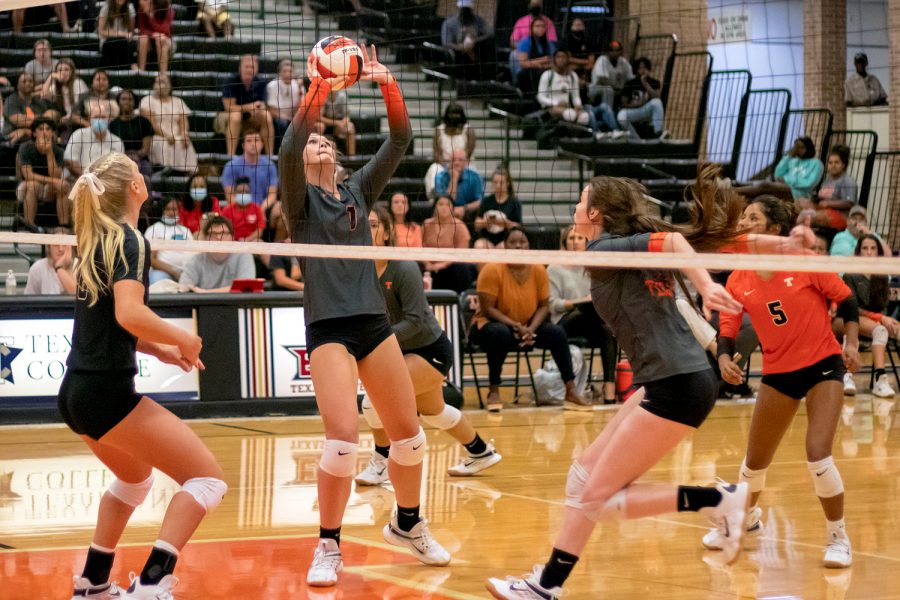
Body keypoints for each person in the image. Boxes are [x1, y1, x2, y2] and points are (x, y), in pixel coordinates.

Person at [486, 167, 816, 599]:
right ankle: (547, 584)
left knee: (595, 500)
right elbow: (719, 240)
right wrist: (785, 244)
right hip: (670, 379)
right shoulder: (627, 249)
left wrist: (704, 286)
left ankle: (715, 502)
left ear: (596, 213)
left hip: (676, 385)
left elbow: (679, 242)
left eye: (580, 200)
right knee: (581, 478)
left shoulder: (606, 248)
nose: (573, 208)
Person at [279, 44, 450, 587]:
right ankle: (328, 545)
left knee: (410, 438)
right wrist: (319, 88)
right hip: (328, 328)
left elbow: (401, 140)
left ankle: (408, 522)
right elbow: (287, 148)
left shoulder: (358, 190)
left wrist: (387, 83)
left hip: (374, 327)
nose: (319, 144)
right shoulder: (299, 202)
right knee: (342, 441)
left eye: (326, 141)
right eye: (314, 142)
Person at [62, 152, 225, 599]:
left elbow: (113, 325)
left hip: (76, 394)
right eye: (137, 170)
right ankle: (154, 582)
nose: (143, 174)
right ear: (133, 189)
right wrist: (185, 338)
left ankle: (93, 580)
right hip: (106, 393)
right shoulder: (131, 241)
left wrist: (163, 349)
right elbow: (130, 311)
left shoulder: (98, 242)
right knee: (208, 480)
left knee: (136, 480)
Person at [708, 208, 862, 570]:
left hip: (822, 364)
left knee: (817, 454)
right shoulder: (738, 278)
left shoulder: (803, 261)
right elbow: (727, 326)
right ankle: (742, 521)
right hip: (778, 371)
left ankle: (838, 536)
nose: (744, 223)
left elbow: (848, 299)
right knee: (754, 464)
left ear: (774, 229)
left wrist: (852, 343)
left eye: (753, 218)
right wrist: (725, 359)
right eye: (742, 217)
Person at [355, 204, 502, 485]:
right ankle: (481, 452)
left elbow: (415, 322)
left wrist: (377, 339)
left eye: (374, 225)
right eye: (363, 225)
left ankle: (381, 462)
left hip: (430, 350)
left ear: (387, 233)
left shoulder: (404, 268)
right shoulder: (360, 271)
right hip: (401, 350)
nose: (367, 230)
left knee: (374, 399)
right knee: (436, 412)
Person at [470, 226, 588, 412]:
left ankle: (570, 390)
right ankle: (494, 390)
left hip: (527, 326)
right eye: (513, 242)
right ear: (505, 246)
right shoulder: (492, 269)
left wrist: (531, 328)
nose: (518, 246)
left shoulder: (538, 270)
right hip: (490, 325)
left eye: (522, 242)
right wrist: (516, 326)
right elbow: (488, 309)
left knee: (556, 333)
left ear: (528, 245)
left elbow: (543, 306)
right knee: (499, 333)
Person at [547, 225, 617, 404]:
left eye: (579, 238)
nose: (575, 242)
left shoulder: (593, 268)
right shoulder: (554, 268)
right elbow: (552, 305)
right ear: (565, 243)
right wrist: (577, 302)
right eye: (571, 238)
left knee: (607, 329)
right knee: (584, 310)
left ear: (586, 242)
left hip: (591, 320)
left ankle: (609, 386)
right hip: (565, 321)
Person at [838, 234, 898, 398]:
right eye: (865, 248)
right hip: (848, 317)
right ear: (859, 251)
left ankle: (877, 381)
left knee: (893, 329)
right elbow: (851, 308)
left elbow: (883, 307)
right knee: (879, 330)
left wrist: (886, 320)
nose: (869, 252)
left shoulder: (882, 275)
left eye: (873, 248)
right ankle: (861, 377)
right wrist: (881, 319)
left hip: (874, 319)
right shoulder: (850, 275)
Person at [139, 73, 199, 173]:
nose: (160, 85)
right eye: (157, 82)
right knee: (164, 145)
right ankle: (165, 173)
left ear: (170, 85)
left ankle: (188, 175)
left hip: (177, 136)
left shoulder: (178, 101)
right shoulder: (147, 101)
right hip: (157, 136)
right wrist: (167, 136)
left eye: (163, 82)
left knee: (185, 142)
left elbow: (183, 121)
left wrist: (184, 133)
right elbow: (151, 124)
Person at [179, 215, 255, 292]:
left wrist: (206, 293)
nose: (219, 237)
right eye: (213, 234)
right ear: (206, 238)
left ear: (232, 237)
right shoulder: (196, 260)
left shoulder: (244, 256)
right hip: (204, 303)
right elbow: (184, 287)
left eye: (224, 233)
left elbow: (246, 287)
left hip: (235, 303)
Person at [18, 117, 70, 229]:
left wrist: (49, 153)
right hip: (27, 185)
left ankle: (63, 227)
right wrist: (53, 181)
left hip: (49, 187)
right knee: (33, 185)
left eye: (48, 129)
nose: (45, 132)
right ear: (34, 133)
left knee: (63, 185)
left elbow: (56, 176)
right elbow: (28, 175)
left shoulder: (58, 151)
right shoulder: (25, 147)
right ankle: (29, 225)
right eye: (41, 129)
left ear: (52, 132)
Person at [221, 54, 274, 156]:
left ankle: (270, 157)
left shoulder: (260, 82)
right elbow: (228, 107)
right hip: (226, 116)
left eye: (252, 67)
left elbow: (262, 104)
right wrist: (249, 107)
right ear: (240, 68)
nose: (249, 70)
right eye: (247, 67)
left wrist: (258, 110)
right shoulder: (231, 81)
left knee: (266, 115)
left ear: (257, 69)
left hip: (249, 117)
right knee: (236, 115)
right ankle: (230, 156)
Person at [423, 195, 476, 293]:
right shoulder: (427, 224)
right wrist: (427, 264)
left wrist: (442, 265)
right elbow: (422, 246)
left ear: (452, 208)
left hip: (451, 266)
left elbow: (461, 253)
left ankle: (462, 298)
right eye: (440, 204)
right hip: (431, 266)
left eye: (447, 204)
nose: (444, 207)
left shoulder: (459, 225)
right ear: (435, 207)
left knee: (462, 267)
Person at [221, 127, 279, 210]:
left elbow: (272, 195)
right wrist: (247, 211)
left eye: (256, 140)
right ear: (243, 145)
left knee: (279, 207)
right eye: (249, 141)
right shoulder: (231, 166)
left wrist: (260, 209)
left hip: (264, 209)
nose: (253, 144)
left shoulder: (270, 165)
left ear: (262, 144)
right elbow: (230, 196)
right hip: (239, 209)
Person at [426, 103, 476, 198]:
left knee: (472, 172)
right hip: (444, 164)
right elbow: (436, 153)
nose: (454, 116)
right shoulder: (439, 130)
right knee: (433, 169)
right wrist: (447, 165)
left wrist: (458, 164)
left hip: (464, 165)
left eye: (457, 113)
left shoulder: (468, 130)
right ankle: (435, 199)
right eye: (452, 113)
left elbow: (469, 151)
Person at [64, 102, 125, 179]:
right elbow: (70, 161)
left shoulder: (117, 142)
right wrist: (89, 179)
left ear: (109, 119)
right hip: (78, 179)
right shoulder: (79, 135)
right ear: (89, 119)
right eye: (96, 117)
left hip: (106, 183)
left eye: (103, 117)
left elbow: (119, 168)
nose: (99, 120)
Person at [440, 0, 495, 82]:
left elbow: (490, 33)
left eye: (467, 9)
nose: (465, 12)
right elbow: (446, 43)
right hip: (458, 56)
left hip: (476, 53)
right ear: (458, 8)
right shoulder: (449, 23)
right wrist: (463, 48)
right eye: (463, 9)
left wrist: (474, 42)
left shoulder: (477, 20)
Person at [144, 197, 194, 284]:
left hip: (187, 272)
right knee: (157, 279)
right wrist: (174, 272)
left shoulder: (185, 230)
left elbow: (194, 254)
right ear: (161, 210)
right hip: (163, 272)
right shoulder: (153, 230)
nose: (171, 213)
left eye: (174, 209)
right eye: (167, 209)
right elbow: (151, 260)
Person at [808, 144, 858, 230]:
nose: (833, 165)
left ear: (843, 165)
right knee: (799, 203)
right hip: (824, 210)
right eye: (830, 163)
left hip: (840, 215)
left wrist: (828, 203)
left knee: (809, 218)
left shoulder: (848, 181)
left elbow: (849, 203)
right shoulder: (827, 180)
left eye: (836, 162)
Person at [537, 50, 590, 127]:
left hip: (568, 107)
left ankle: (575, 137)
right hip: (551, 108)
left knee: (584, 117)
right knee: (570, 114)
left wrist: (578, 104)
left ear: (568, 59)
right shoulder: (547, 75)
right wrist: (557, 103)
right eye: (558, 57)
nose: (561, 59)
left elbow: (576, 96)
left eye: (563, 57)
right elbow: (540, 97)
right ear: (554, 59)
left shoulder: (573, 76)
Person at [474, 165, 521, 249]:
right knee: (479, 245)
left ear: (508, 183)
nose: (498, 185)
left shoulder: (514, 203)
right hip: (487, 239)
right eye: (495, 182)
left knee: (503, 247)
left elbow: (518, 227)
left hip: (506, 239)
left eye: (501, 182)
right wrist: (485, 222)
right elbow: (476, 224)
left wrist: (505, 223)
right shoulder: (486, 201)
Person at [109, 89, 154, 179]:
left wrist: (133, 156)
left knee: (146, 170)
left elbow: (145, 150)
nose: (127, 102)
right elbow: (111, 148)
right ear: (118, 102)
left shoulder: (144, 122)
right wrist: (124, 157)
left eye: (130, 99)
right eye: (124, 99)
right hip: (119, 160)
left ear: (135, 102)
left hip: (140, 160)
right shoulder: (113, 124)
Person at [617, 56, 664, 139]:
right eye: (640, 68)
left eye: (645, 67)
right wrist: (639, 104)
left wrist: (645, 83)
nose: (643, 70)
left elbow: (657, 97)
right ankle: (636, 139)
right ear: (637, 70)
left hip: (647, 110)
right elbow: (624, 104)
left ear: (649, 69)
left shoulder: (654, 82)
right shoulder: (630, 83)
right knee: (621, 115)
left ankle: (658, 134)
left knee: (657, 103)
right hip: (634, 110)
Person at [266, 59, 304, 154]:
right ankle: (281, 152)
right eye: (285, 71)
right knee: (283, 123)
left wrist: (299, 90)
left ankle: (298, 153)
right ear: (280, 73)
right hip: (278, 117)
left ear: (294, 73)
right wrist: (289, 118)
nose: (287, 74)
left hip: (293, 117)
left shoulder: (299, 87)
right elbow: (272, 111)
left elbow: (300, 109)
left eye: (290, 71)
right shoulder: (272, 86)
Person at [24, 226, 76, 295]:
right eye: (56, 245)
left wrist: (59, 267)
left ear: (71, 247)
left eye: (65, 245)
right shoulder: (38, 267)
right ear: (49, 248)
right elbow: (28, 298)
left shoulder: (80, 266)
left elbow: (76, 294)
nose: (61, 249)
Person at [434, 149, 484, 218]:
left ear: (466, 162)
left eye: (460, 160)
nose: (456, 163)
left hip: (468, 213)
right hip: (445, 212)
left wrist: (464, 208)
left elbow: (479, 201)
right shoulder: (440, 177)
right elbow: (444, 202)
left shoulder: (475, 176)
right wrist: (454, 179)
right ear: (449, 162)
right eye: (453, 160)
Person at [3, 72, 49, 146]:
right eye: (24, 81)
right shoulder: (11, 101)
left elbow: (48, 121)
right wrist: (41, 119)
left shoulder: (39, 101)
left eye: (30, 81)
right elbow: (19, 121)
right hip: (13, 139)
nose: (28, 83)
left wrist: (26, 131)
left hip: (35, 136)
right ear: (17, 85)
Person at [775, 136, 825, 202]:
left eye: (802, 147)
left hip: (801, 194)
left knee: (765, 186)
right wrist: (788, 156)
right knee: (763, 193)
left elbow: (809, 184)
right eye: (796, 147)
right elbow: (778, 175)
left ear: (808, 148)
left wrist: (787, 180)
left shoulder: (816, 163)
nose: (798, 150)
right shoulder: (792, 160)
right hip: (783, 189)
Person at [514, 17, 555, 94]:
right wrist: (541, 61)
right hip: (526, 73)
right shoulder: (525, 42)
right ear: (531, 28)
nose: (540, 28)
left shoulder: (548, 43)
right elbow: (523, 63)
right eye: (537, 26)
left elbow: (552, 60)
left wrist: (545, 63)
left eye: (542, 26)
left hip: (544, 70)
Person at [220, 176, 266, 242]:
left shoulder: (257, 208)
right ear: (235, 194)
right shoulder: (227, 209)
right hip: (231, 241)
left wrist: (247, 240)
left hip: (251, 241)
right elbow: (223, 229)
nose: (243, 194)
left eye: (246, 192)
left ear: (250, 193)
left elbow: (259, 231)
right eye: (240, 192)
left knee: (259, 242)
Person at [589, 40, 633, 107]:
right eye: (612, 50)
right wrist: (616, 89)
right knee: (608, 90)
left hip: (617, 90)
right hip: (597, 89)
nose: (615, 52)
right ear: (608, 52)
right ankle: (607, 113)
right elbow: (602, 80)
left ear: (621, 51)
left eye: (617, 50)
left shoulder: (624, 62)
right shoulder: (602, 59)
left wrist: (624, 90)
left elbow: (630, 78)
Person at [98, 0, 137, 70]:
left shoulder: (130, 8)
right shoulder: (106, 7)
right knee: (116, 42)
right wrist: (118, 33)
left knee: (125, 42)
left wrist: (127, 35)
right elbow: (101, 31)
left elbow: (131, 32)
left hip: (124, 42)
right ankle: (131, 65)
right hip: (108, 41)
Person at [136, 0, 174, 73]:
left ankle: (163, 75)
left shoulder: (168, 8)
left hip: (166, 41)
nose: (140, 2)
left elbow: (165, 30)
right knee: (143, 38)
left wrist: (150, 16)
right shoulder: (141, 9)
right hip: (150, 41)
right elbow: (142, 30)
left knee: (161, 39)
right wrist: (153, 34)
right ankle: (141, 72)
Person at [316, 88, 356, 156]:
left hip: (339, 122)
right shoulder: (322, 95)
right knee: (320, 126)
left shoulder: (342, 96)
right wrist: (336, 123)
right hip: (325, 122)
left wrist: (342, 123)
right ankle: (317, 153)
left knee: (350, 127)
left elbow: (347, 117)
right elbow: (318, 117)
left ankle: (352, 157)